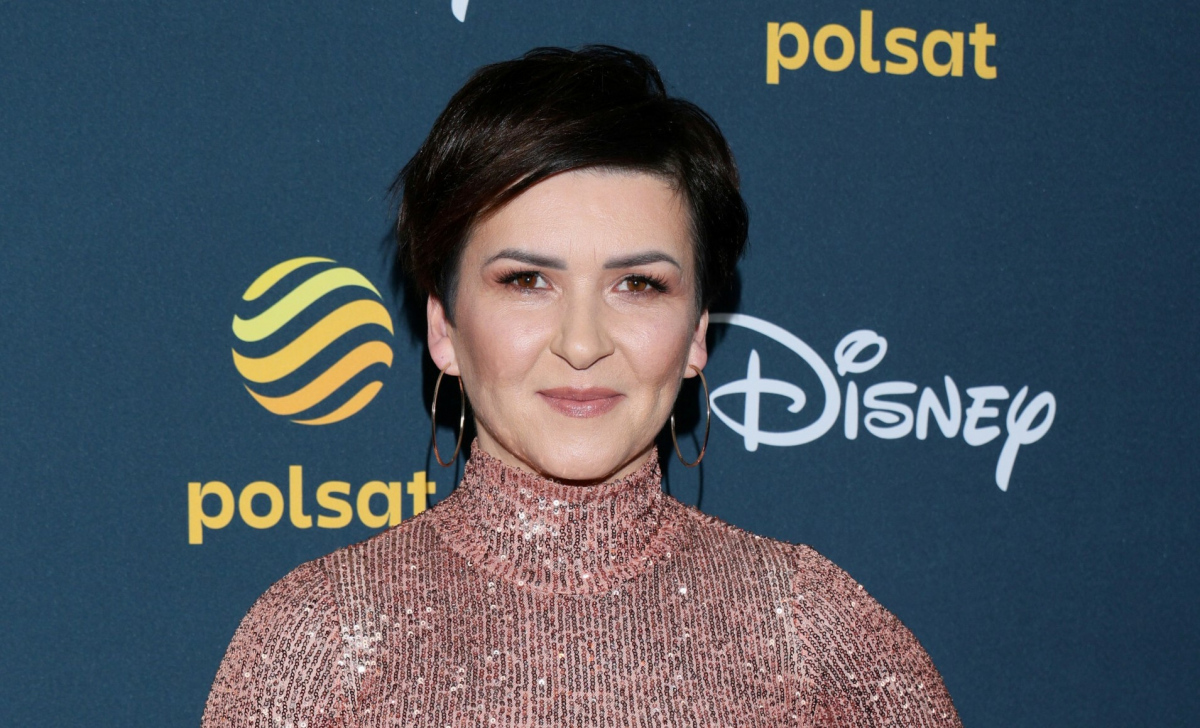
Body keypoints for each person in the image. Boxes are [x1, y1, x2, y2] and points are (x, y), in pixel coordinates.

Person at [202, 45, 962, 727]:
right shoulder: (322, 641)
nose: (582, 343)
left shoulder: (811, 636)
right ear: (444, 327)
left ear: (698, 330)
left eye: (639, 285)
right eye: (527, 281)